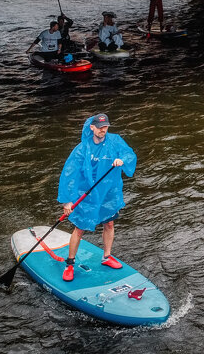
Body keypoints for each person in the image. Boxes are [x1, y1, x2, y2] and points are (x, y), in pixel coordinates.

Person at [57, 113, 137, 282]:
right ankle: (70, 264)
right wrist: (67, 201)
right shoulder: (82, 148)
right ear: (91, 127)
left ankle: (107, 256)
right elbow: (69, 174)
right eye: (100, 127)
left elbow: (129, 154)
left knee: (109, 223)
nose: (103, 130)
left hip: (108, 193)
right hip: (86, 194)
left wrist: (121, 160)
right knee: (80, 228)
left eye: (105, 127)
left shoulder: (115, 141)